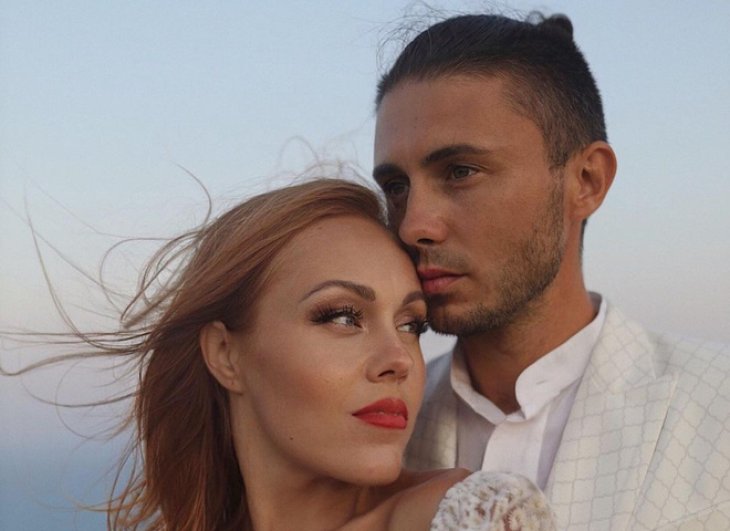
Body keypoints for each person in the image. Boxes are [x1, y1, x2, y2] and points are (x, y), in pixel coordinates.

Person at [2, 178, 556, 530]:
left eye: (411, 324)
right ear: (226, 354)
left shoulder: (479, 518)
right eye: (343, 316)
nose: (400, 360)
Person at [372, 11, 730, 530]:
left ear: (586, 180)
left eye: (461, 172)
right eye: (396, 187)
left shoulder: (717, 405)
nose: (413, 225)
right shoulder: (377, 435)